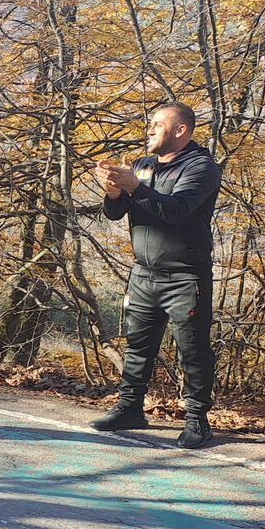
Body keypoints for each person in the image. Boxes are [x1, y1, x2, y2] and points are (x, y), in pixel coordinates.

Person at [93, 102, 221, 449]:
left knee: (192, 351)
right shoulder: (142, 166)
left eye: (157, 124)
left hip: (185, 277)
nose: (149, 130)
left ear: (180, 130)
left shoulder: (202, 167)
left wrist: (135, 187)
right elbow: (114, 213)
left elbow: (177, 211)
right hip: (143, 274)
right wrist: (114, 190)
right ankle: (130, 408)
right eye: (149, 124)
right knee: (138, 345)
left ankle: (197, 420)